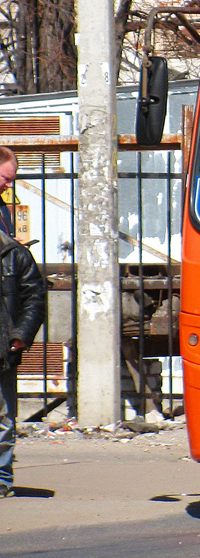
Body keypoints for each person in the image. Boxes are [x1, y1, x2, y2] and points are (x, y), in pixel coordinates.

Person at [0, 147, 46, 498]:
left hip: (3, 339)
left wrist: (19, 338)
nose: (7, 186)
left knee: (3, 416)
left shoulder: (13, 251)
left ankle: (1, 478)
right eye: (5, 178)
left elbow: (32, 294)